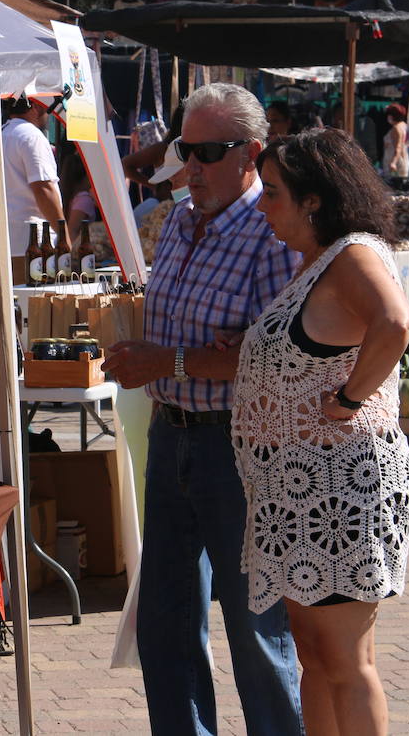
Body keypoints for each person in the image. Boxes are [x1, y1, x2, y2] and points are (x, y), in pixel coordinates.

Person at [103, 83, 304, 736]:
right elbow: (223, 346)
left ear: (251, 153)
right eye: (185, 150)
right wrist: (181, 355)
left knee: (256, 629)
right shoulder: (182, 222)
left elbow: (276, 360)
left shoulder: (272, 235)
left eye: (208, 152)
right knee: (166, 622)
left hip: (239, 449)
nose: (191, 166)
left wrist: (173, 360)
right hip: (173, 438)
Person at [234, 127, 409, 736]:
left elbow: (395, 321)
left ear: (313, 200)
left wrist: (349, 397)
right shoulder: (317, 263)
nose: (263, 206)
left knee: (344, 659)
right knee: (314, 654)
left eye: (274, 193)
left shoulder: (352, 252)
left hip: (339, 484)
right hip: (298, 485)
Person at [0, 92, 64, 282]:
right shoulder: (31, 136)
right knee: (37, 308)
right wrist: (63, 237)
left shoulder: (2, 134)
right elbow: (44, 189)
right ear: (35, 106)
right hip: (35, 246)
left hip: (10, 242)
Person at [382, 103, 409, 177]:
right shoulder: (404, 125)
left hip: (394, 162)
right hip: (404, 159)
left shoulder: (396, 128)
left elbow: (398, 147)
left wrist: (393, 163)